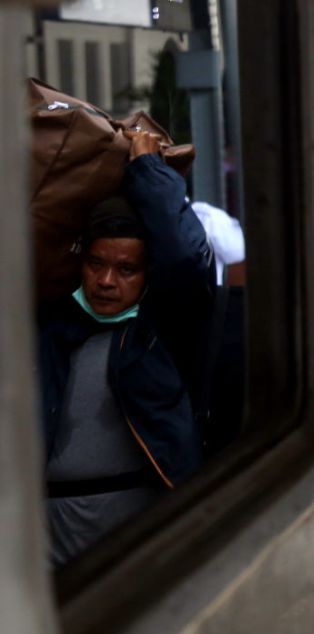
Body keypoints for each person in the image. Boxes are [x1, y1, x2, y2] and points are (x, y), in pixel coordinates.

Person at [39, 130, 212, 566]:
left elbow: (185, 258)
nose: (107, 281)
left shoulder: (158, 333)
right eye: (96, 264)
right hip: (46, 536)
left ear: (147, 273)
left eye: (126, 269)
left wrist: (148, 170)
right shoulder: (51, 328)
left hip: (136, 529)